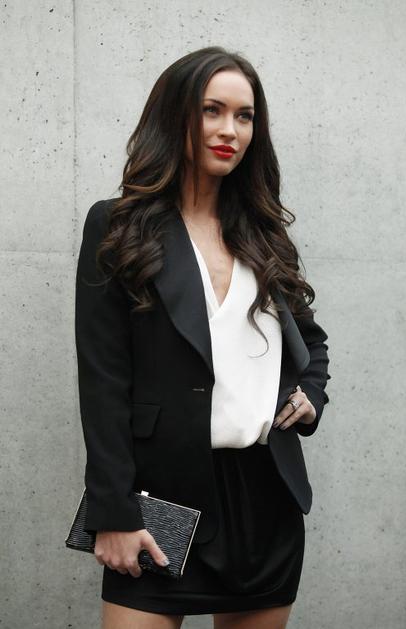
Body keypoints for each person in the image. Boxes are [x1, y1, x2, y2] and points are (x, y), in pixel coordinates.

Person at [75, 46, 331, 629]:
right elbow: (103, 380)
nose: (229, 130)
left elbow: (311, 343)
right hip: (162, 497)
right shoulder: (119, 226)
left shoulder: (263, 235)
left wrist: (310, 395)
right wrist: (112, 511)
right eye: (212, 110)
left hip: (266, 498)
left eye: (245, 116)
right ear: (176, 115)